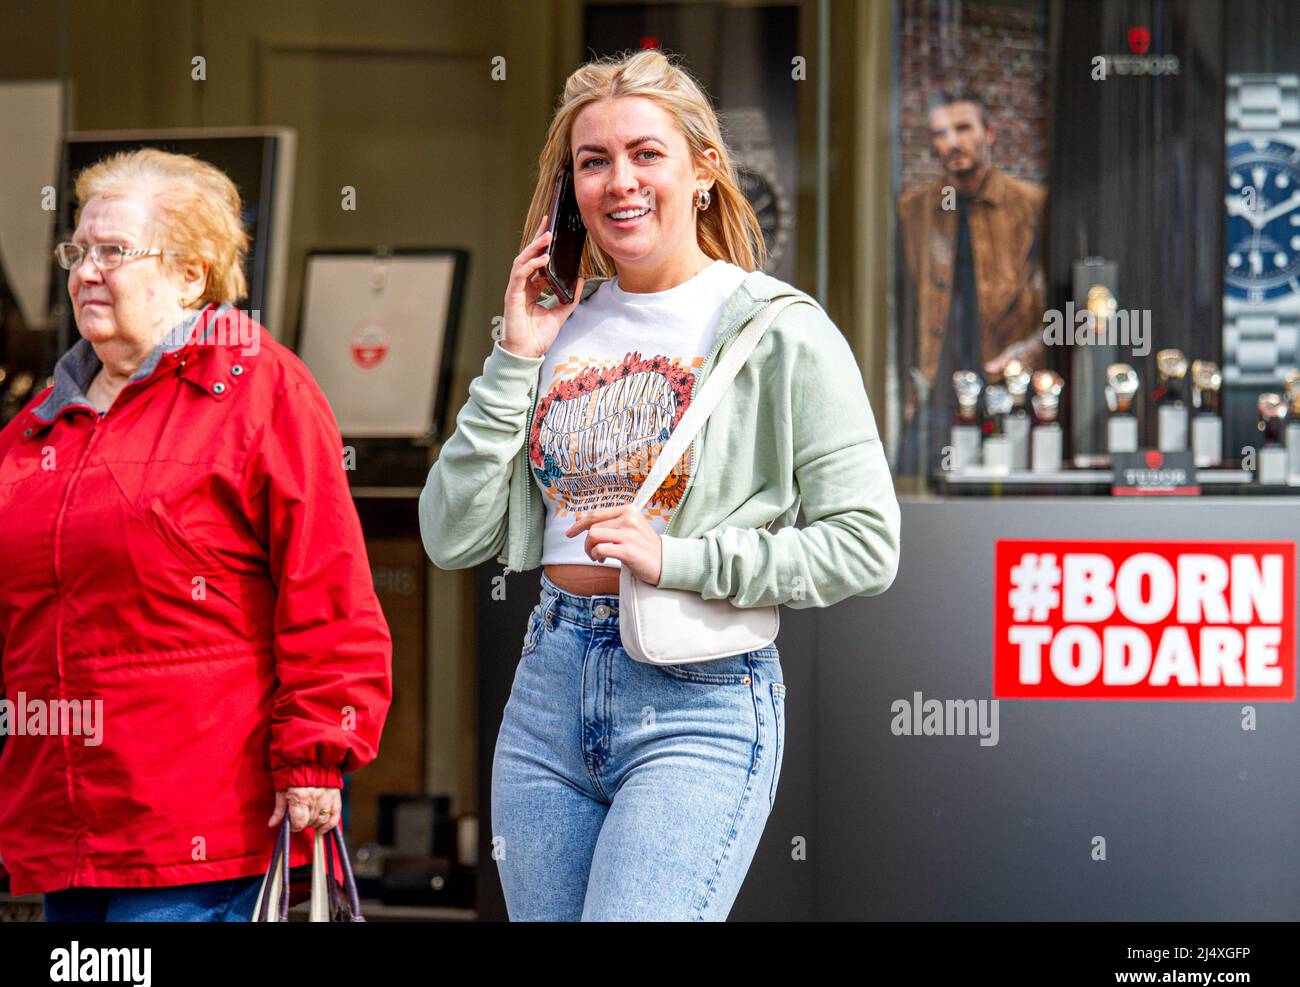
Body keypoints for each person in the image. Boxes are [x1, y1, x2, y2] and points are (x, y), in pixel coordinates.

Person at [420, 49, 900, 920]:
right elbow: (451, 534)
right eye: (593, 161)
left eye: (647, 154)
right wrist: (515, 353)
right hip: (549, 687)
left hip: (700, 695)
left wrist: (677, 557)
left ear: (704, 171)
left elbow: (866, 544)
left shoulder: (779, 329)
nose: (620, 182)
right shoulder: (553, 323)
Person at [0, 148, 392, 922]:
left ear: (190, 275)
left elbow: (330, 587)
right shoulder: (36, 423)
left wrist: (318, 753)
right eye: (77, 250)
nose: (84, 271)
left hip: (200, 832)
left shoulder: (261, 389)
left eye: (112, 251)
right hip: (67, 832)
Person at [895, 86, 1047, 477]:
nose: (952, 142)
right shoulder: (913, 211)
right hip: (938, 385)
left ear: (988, 133)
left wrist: (1030, 353)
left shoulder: (1031, 205)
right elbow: (896, 301)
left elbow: (1060, 301)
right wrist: (906, 385)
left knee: (1015, 491)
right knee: (910, 485)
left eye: (963, 128)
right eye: (940, 134)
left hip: (1010, 382)